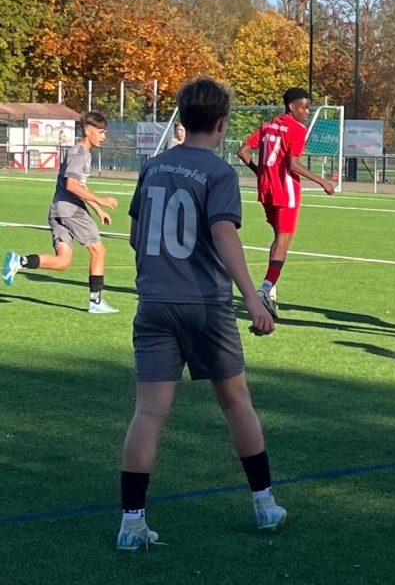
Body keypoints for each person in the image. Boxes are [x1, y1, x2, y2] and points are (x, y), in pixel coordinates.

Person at [116, 77, 284, 551]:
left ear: (183, 118)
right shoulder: (219, 172)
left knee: (149, 412)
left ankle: (131, 523)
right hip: (206, 305)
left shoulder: (153, 167)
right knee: (236, 402)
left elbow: (136, 236)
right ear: (222, 122)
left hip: (154, 303)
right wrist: (253, 297)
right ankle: (265, 504)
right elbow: (224, 234)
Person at [3, 111, 120, 313]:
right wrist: (100, 199)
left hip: (58, 210)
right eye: (100, 131)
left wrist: (98, 209)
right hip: (71, 210)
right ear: (88, 130)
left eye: (104, 132)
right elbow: (72, 185)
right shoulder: (79, 153)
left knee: (63, 262)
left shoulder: (82, 153)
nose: (103, 136)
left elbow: (80, 186)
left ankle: (20, 261)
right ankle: (96, 302)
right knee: (98, 250)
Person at [236, 88, 335, 315]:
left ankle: (271, 292)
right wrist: (323, 182)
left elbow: (243, 152)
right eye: (304, 107)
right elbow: (293, 164)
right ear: (292, 107)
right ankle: (265, 289)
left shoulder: (267, 126)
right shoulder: (297, 129)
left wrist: (261, 173)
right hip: (286, 191)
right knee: (283, 242)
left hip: (266, 191)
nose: (307, 112)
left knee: (278, 238)